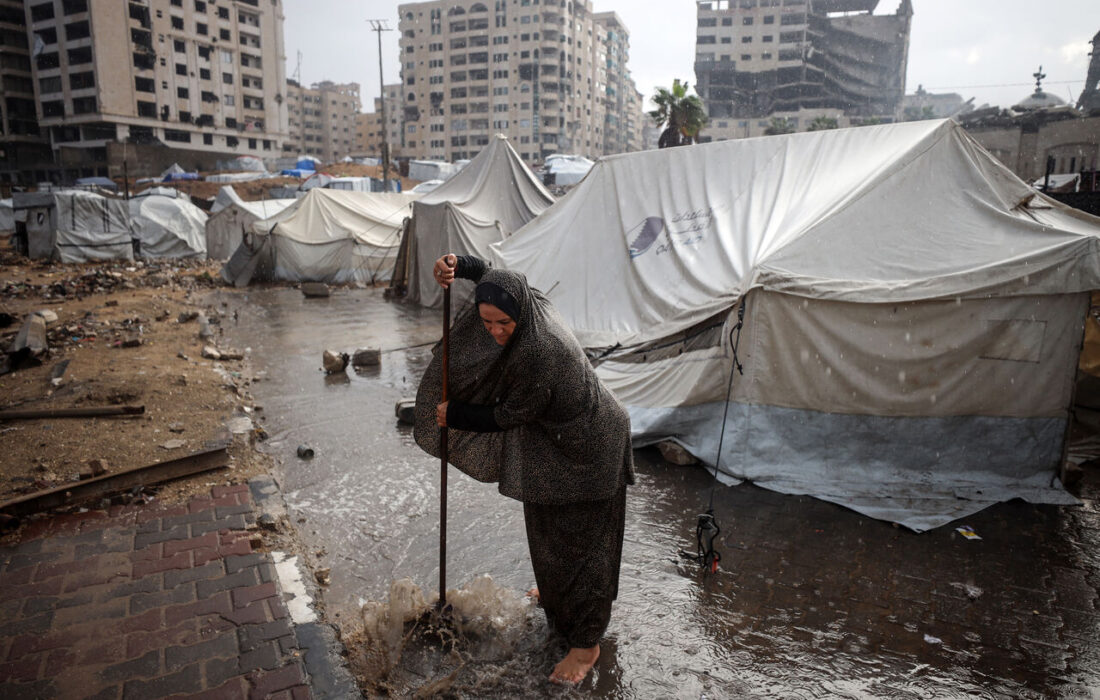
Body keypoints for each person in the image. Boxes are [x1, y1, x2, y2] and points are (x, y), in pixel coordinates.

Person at [414, 253, 635, 685]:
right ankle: (556, 595)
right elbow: (498, 277)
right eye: (487, 321)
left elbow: (507, 415)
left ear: (521, 317)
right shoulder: (526, 300)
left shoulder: (539, 350)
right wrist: (459, 265)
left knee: (586, 545)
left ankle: (586, 643)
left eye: (504, 324)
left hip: (591, 446)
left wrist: (454, 413)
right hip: (553, 441)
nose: (495, 332)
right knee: (547, 528)